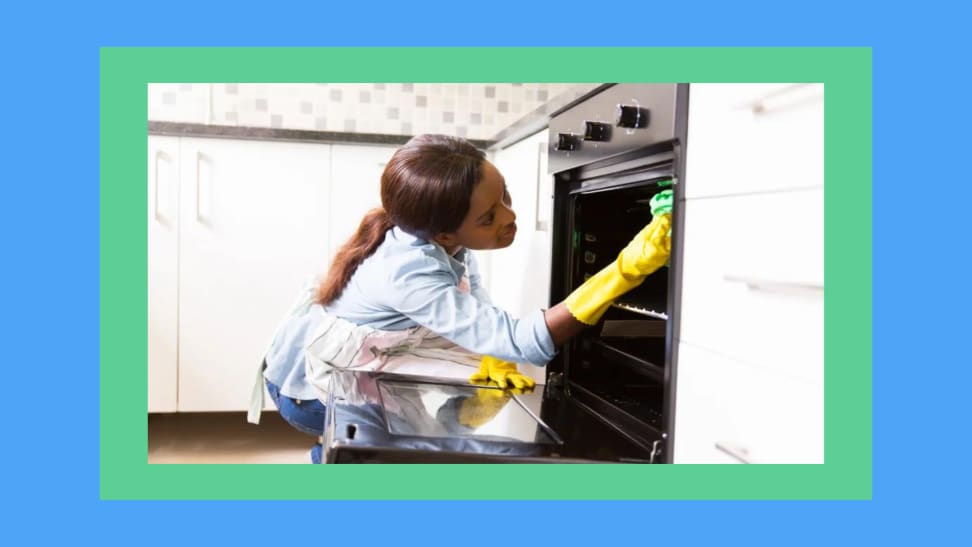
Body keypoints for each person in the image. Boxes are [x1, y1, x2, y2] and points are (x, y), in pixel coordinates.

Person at [247, 134, 672, 463]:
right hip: (308, 391)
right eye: (489, 218)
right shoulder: (407, 271)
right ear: (445, 233)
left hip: (368, 354)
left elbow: (475, 296)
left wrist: (492, 349)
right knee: (377, 456)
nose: (510, 217)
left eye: (504, 195)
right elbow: (525, 341)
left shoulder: (440, 235)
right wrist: (627, 269)